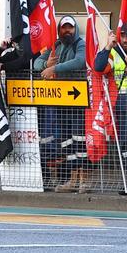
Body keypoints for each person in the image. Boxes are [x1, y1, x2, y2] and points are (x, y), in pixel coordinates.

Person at [34, 15, 88, 193]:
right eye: (64, 28)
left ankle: (83, 181)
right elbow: (36, 63)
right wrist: (45, 64)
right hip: (60, 100)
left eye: (70, 27)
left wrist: (54, 68)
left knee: (80, 140)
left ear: (75, 29)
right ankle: (72, 180)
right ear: (59, 30)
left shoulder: (80, 43)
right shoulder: (55, 45)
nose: (67, 31)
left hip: (78, 100)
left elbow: (80, 61)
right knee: (66, 141)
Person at [93, 23, 127, 194]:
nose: (125, 39)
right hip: (123, 102)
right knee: (125, 143)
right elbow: (98, 67)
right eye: (123, 36)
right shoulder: (115, 53)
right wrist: (107, 46)